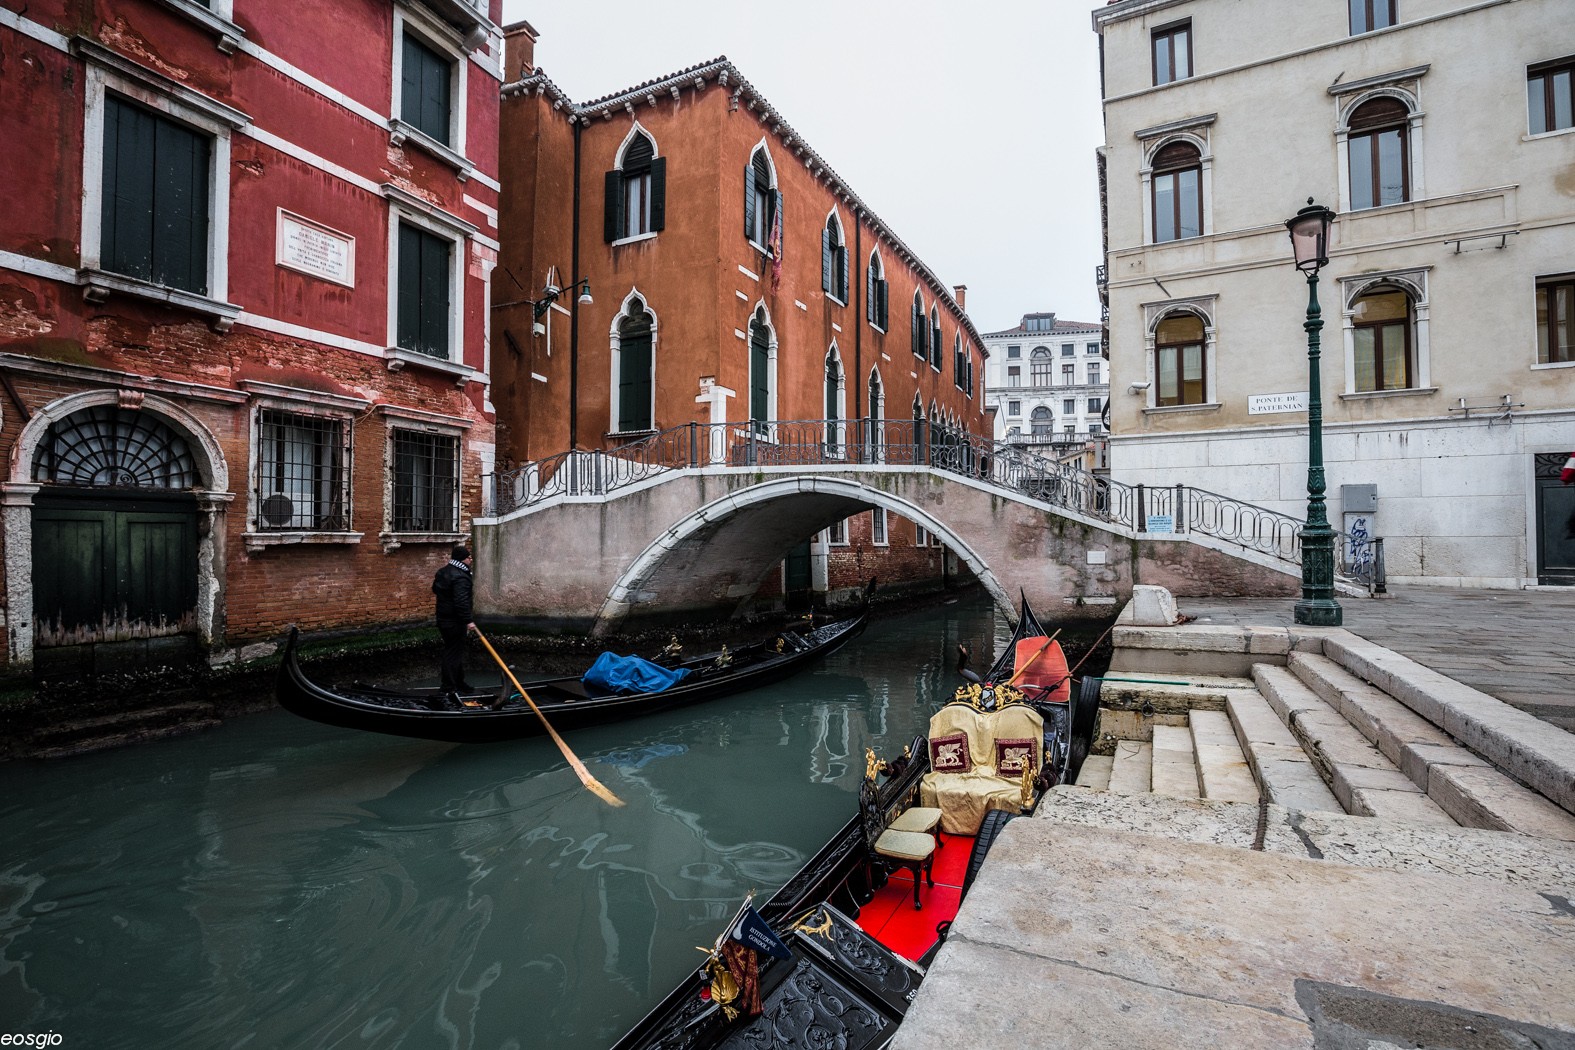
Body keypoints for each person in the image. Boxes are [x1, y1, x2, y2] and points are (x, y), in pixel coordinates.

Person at [432, 544, 476, 697]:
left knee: (454, 651)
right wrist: (469, 621)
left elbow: (435, 589)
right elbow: (461, 601)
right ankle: (448, 687)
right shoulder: (461, 576)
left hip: (443, 619)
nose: (471, 559)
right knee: (452, 653)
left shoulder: (442, 572)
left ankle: (459, 683)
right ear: (463, 559)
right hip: (455, 621)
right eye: (469, 557)